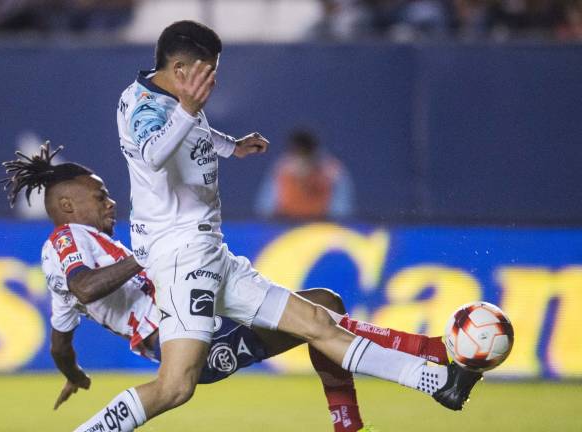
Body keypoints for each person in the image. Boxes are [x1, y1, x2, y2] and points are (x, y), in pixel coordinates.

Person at [84, 20, 486, 432]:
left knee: (317, 323)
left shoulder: (170, 96)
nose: (213, 81)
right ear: (181, 69)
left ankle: (442, 383)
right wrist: (187, 109)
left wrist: (231, 146)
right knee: (174, 387)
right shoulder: (148, 108)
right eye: (208, 72)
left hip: (211, 254)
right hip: (181, 259)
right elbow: (153, 154)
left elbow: (192, 135)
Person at [0, 143, 452, 432]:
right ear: (66, 205)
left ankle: (351, 420)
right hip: (183, 334)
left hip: (201, 315)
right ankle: (428, 355)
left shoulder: (96, 248)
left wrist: (74, 374)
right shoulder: (67, 240)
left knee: (321, 308)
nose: (111, 202)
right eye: (100, 196)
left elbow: (60, 342)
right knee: (179, 386)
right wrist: (149, 255)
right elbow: (84, 288)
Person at [255, 129, 354, 220]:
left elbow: (341, 212)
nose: (301, 161)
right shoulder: (281, 170)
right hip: (286, 225)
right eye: (297, 154)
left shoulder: (333, 173)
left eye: (305, 154)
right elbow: (265, 209)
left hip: (322, 227)